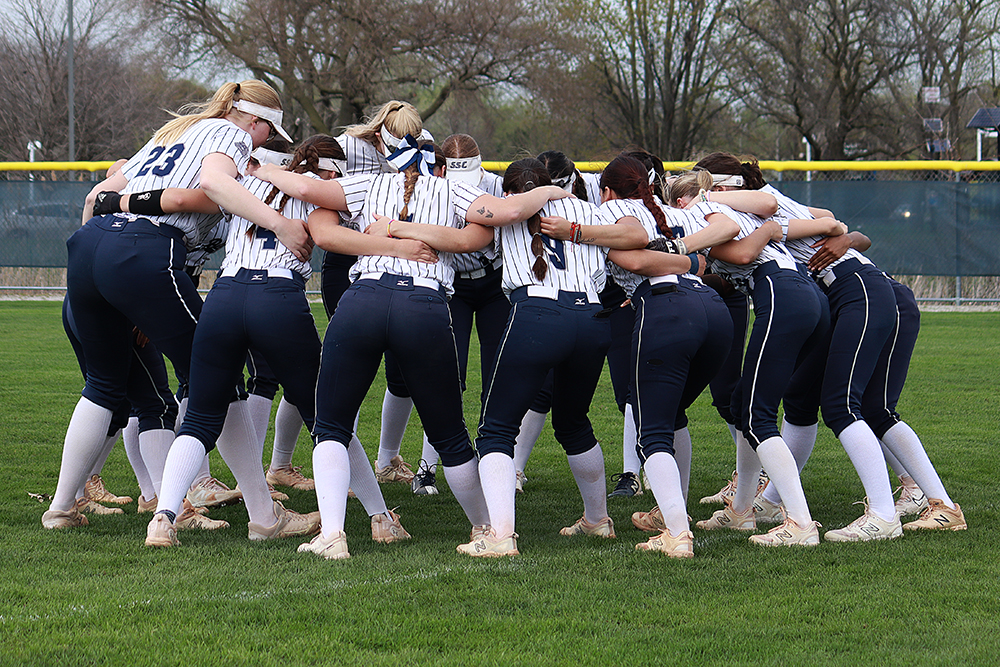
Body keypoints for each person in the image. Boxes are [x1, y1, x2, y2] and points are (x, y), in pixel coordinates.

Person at [254, 136, 571, 559]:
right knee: (449, 433)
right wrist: (548, 190)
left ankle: (333, 535)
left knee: (331, 424)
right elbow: (480, 235)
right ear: (439, 167)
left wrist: (261, 168)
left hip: (362, 299)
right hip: (422, 303)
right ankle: (486, 527)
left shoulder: (367, 183)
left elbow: (310, 191)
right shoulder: (454, 189)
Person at [42, 80, 310, 530]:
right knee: (219, 377)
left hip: (89, 246)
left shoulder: (171, 133)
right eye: (268, 135)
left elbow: (94, 198)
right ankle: (264, 515)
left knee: (104, 386)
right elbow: (210, 183)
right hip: (144, 250)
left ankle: (61, 506)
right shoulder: (230, 133)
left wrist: (110, 282)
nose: (260, 147)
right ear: (257, 122)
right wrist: (280, 223)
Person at [543, 154, 740, 556]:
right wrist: (688, 255)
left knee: (651, 430)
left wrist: (576, 230)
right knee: (672, 416)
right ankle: (674, 512)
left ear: (608, 190)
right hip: (712, 310)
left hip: (667, 309)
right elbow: (726, 227)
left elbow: (632, 246)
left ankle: (677, 533)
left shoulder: (616, 208)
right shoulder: (669, 209)